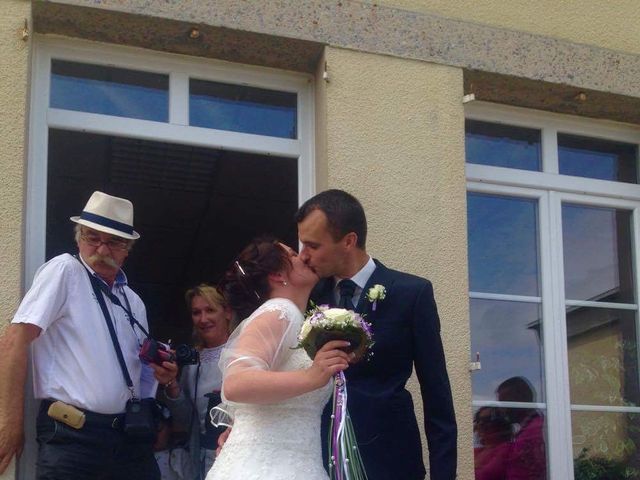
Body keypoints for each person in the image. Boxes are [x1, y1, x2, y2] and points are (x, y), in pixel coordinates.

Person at [0, 191, 177, 479]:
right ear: (78, 238)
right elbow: (13, 340)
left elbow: (138, 368)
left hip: (129, 437)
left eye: (114, 242)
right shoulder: (65, 270)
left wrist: (162, 375)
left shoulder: (133, 301)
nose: (102, 249)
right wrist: (9, 424)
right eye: (92, 237)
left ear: (128, 249)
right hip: (73, 437)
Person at [295, 189, 458, 480]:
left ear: (348, 241)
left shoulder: (412, 293)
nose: (303, 256)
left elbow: (437, 396)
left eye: (313, 245)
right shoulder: (307, 297)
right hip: (316, 459)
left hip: (390, 460)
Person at [205, 237, 352, 479]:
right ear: (276, 275)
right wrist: (312, 376)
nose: (304, 256)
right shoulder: (280, 311)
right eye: (293, 255)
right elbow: (236, 384)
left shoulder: (294, 318)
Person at [155, 284, 233, 479]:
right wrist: (171, 384)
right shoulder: (192, 361)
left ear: (228, 313)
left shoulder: (244, 351)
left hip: (235, 453)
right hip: (200, 457)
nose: (203, 319)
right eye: (196, 312)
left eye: (210, 310)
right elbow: (185, 421)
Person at [496, 377, 546, 480]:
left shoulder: (535, 430)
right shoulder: (528, 428)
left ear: (521, 399)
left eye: (505, 402)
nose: (502, 409)